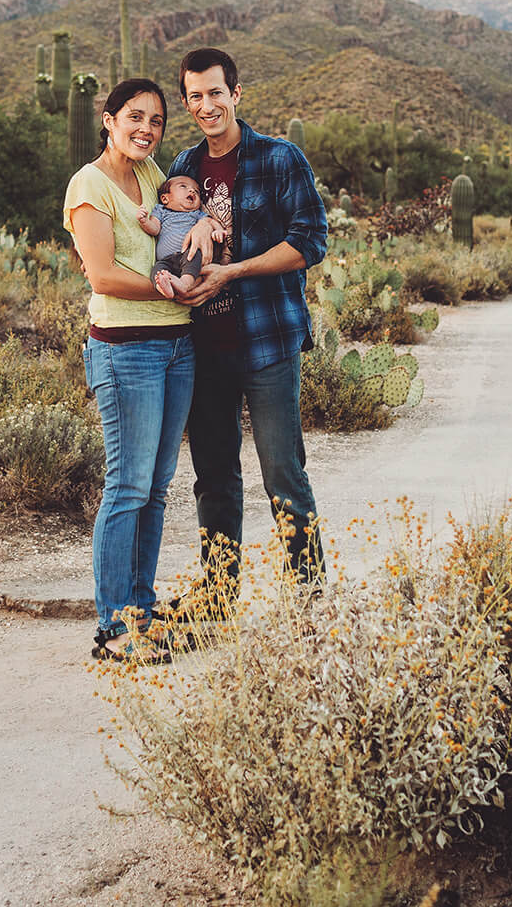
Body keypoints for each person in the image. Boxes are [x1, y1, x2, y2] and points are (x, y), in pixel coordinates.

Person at [162, 46, 330, 612]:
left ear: (236, 93)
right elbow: (158, 239)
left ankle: (308, 601)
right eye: (195, 96)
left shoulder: (281, 160)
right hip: (202, 349)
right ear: (186, 103)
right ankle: (218, 600)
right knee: (213, 478)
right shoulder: (183, 170)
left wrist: (233, 270)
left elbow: (311, 242)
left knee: (283, 473)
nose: (206, 105)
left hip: (268, 342)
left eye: (215, 92)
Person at [62, 78, 196, 664]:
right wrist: (172, 292)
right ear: (108, 119)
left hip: (176, 346)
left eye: (157, 120)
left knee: (157, 488)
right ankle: (113, 627)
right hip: (126, 349)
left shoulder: (149, 175)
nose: (146, 128)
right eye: (134, 117)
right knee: (128, 485)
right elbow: (103, 276)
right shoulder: (88, 185)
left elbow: (167, 232)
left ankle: (142, 609)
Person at [137, 175, 225, 282]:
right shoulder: (161, 210)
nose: (192, 190)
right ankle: (164, 285)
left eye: (197, 191)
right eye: (183, 186)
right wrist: (144, 221)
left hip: (188, 255)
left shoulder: (196, 214)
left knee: (194, 257)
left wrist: (218, 230)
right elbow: (155, 229)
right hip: (165, 260)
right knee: (157, 270)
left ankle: (185, 284)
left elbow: (211, 221)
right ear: (165, 198)